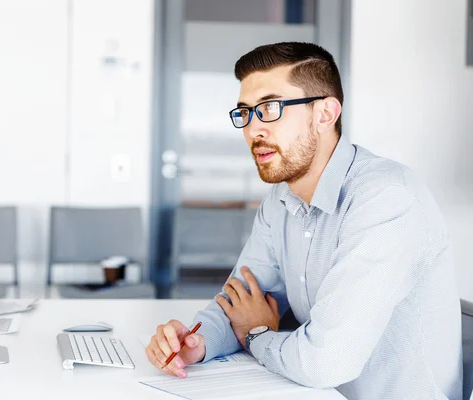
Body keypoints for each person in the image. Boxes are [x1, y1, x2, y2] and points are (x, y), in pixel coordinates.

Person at [145, 42, 463, 400]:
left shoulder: (386, 199)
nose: (253, 130)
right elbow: (240, 301)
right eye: (245, 112)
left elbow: (326, 362)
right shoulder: (279, 201)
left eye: (269, 108)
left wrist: (257, 335)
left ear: (325, 114)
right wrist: (198, 343)